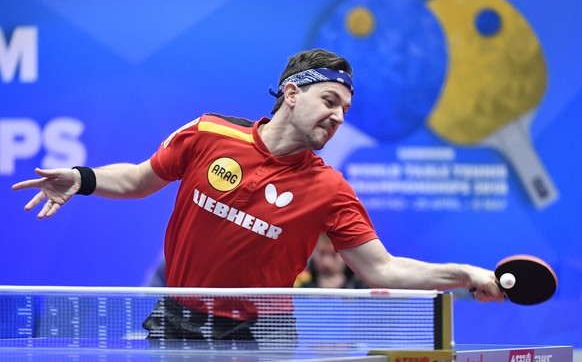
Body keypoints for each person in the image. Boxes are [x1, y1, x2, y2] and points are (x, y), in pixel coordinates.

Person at [12, 48, 504, 342]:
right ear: (291, 92)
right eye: (329, 100)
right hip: (177, 318)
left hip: (259, 332)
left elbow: (382, 269)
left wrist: (463, 274)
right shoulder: (209, 133)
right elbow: (143, 179)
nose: (337, 116)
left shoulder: (330, 189)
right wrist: (83, 177)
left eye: (345, 110)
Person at [295, 233, 368, 289]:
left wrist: (343, 290)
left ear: (347, 254)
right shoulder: (299, 282)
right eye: (321, 253)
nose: (327, 263)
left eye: (334, 255)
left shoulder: (365, 284)